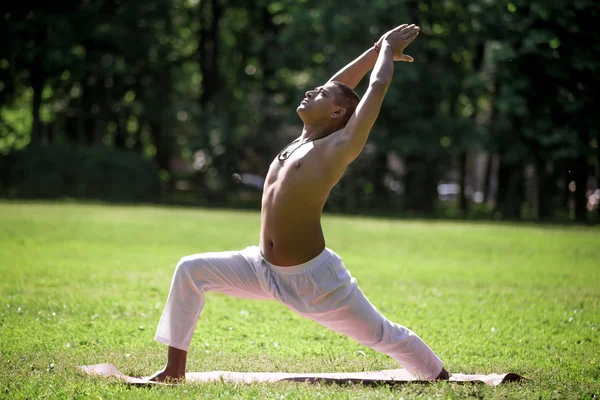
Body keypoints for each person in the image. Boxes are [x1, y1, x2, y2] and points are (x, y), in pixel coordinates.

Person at [150, 23, 449, 382]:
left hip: (313, 280)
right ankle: (173, 371)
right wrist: (372, 51)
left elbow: (376, 86)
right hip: (261, 267)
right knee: (190, 270)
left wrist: (387, 49)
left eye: (321, 94)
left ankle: (441, 377)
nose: (311, 91)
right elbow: (341, 86)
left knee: (384, 336)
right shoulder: (301, 140)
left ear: (338, 114)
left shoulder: (338, 147)